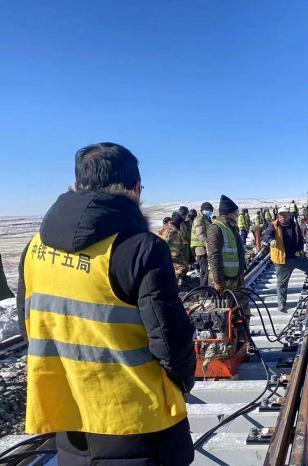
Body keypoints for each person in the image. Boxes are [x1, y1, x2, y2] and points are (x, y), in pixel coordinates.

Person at [16, 142, 194, 465]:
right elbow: (170, 342)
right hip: (140, 427)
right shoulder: (142, 249)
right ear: (135, 188)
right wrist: (183, 382)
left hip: (70, 425)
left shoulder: (34, 249)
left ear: (78, 184)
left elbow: (29, 328)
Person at [262, 206, 308, 313]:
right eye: (280, 215)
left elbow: (300, 237)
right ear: (278, 216)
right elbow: (267, 235)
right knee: (282, 284)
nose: (282, 217)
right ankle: (281, 304)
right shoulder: (273, 225)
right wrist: (271, 240)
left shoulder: (294, 225)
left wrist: (300, 249)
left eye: (285, 215)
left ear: (289, 215)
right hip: (282, 261)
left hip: (295, 257)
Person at [207, 195, 246, 292]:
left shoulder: (231, 227)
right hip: (224, 279)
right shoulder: (216, 229)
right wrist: (218, 281)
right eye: (235, 212)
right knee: (226, 302)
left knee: (240, 301)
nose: (237, 214)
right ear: (228, 213)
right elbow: (214, 256)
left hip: (235, 276)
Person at [160, 212, 190, 286]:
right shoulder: (169, 230)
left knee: (184, 267)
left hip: (177, 254)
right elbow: (162, 242)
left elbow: (181, 241)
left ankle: (174, 284)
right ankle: (172, 284)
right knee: (180, 269)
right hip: (170, 254)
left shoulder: (176, 229)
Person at [191, 202, 214, 286]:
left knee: (206, 270)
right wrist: (208, 246)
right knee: (204, 271)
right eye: (209, 210)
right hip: (200, 248)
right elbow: (201, 235)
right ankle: (203, 290)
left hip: (204, 247)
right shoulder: (199, 219)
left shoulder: (206, 219)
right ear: (204, 210)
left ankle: (205, 287)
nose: (210, 212)